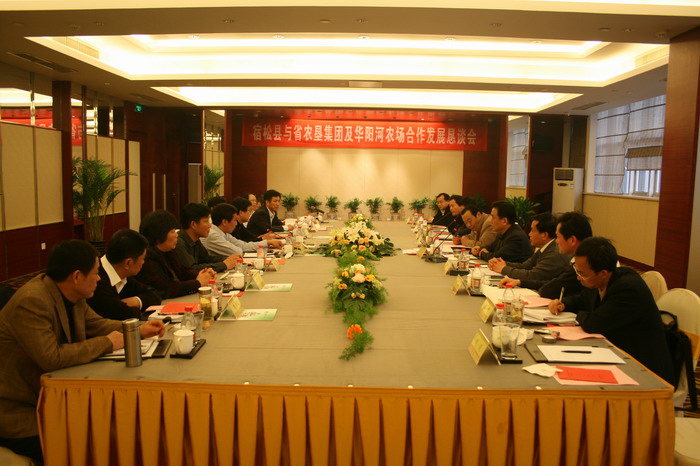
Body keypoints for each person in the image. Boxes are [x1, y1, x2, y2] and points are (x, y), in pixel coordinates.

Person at [0, 240, 164, 464]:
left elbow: (97, 324)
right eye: (95, 273)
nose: (99, 279)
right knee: (87, 446)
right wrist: (107, 343)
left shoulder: (72, 294)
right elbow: (51, 357)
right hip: (19, 412)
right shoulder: (32, 301)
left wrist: (136, 329)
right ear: (77, 276)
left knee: (112, 427)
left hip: (54, 396)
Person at [548, 237, 674, 384]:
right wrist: (563, 304)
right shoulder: (599, 280)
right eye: (577, 270)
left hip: (643, 370)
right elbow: (582, 299)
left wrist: (580, 314)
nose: (578, 277)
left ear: (603, 273)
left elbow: (593, 324)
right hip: (615, 354)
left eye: (582, 273)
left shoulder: (628, 288)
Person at [502, 211, 593, 298]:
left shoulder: (581, 264)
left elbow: (548, 289)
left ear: (572, 240)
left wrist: (504, 268)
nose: (556, 241)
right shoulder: (575, 260)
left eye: (558, 237)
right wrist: (519, 282)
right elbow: (550, 282)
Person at [137, 210, 216, 298]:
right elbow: (167, 288)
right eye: (172, 232)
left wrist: (202, 274)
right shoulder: (147, 258)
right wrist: (198, 283)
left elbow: (183, 271)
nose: (176, 235)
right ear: (160, 235)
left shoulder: (168, 251)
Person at [87, 229, 161, 321]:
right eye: (142, 259)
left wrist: (134, 301)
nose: (143, 262)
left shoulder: (120, 273)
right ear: (128, 263)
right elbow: (124, 314)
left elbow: (154, 295)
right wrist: (123, 307)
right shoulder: (97, 280)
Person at [488, 212, 570, 284]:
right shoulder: (545, 247)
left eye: (532, 230)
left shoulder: (553, 254)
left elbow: (532, 276)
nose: (529, 234)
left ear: (544, 235)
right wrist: (503, 263)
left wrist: (503, 269)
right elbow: (526, 265)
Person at [171, 203, 240, 273]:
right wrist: (224, 265)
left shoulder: (196, 240)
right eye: (206, 221)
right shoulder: (178, 242)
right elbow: (192, 269)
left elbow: (207, 259)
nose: (210, 225)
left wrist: (229, 259)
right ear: (193, 224)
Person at [202, 203, 283, 256]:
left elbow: (244, 245)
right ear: (224, 222)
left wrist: (268, 242)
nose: (236, 224)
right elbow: (236, 252)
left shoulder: (223, 233)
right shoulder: (213, 235)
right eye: (234, 220)